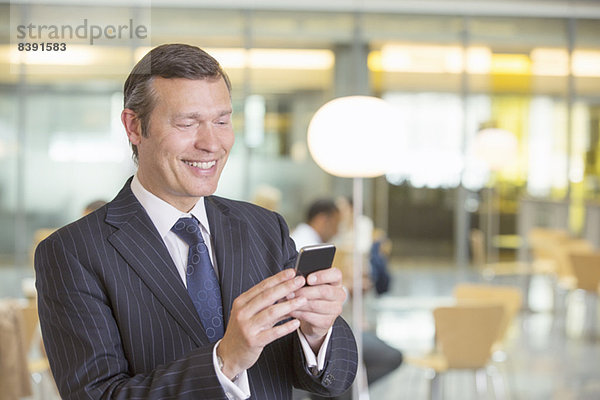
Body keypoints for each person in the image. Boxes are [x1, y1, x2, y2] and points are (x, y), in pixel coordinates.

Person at [34, 44, 357, 400]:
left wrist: (316, 332)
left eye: (222, 121)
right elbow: (95, 395)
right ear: (133, 126)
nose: (211, 143)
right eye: (187, 123)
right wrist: (224, 361)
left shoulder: (264, 229)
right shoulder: (72, 252)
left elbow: (331, 377)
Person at [292, 198, 402, 400]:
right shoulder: (302, 244)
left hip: (326, 329)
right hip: (314, 330)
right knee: (384, 357)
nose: (338, 230)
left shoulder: (310, 242)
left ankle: (329, 391)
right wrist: (347, 290)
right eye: (336, 223)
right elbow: (311, 300)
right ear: (323, 219)